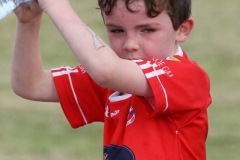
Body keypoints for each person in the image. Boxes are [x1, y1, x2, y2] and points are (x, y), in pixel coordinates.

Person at [11, 0, 212, 159]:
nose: (130, 44)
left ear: (182, 29)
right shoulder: (115, 81)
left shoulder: (186, 76)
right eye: (117, 30)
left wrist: (56, 5)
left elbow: (105, 70)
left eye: (148, 30)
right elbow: (30, 84)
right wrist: (28, 22)